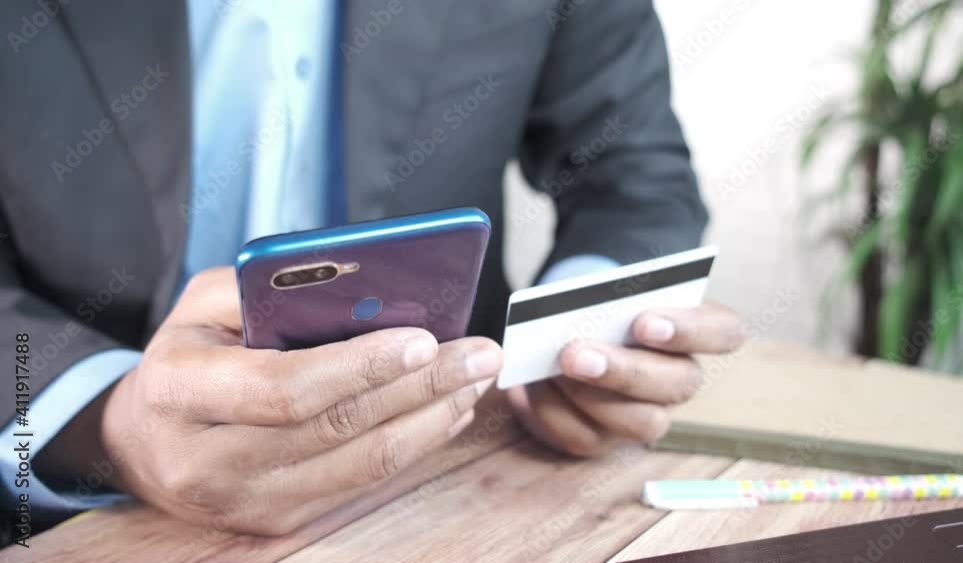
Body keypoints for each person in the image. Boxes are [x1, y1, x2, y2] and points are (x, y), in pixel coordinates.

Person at [0, 0, 744, 537]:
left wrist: (579, 339)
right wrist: (111, 423)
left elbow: (633, 176)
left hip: (463, 480)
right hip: (73, 513)